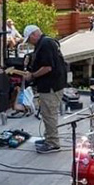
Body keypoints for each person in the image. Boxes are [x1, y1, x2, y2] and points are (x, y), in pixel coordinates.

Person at [22, 25, 68, 154]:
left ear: (33, 35)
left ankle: (53, 143)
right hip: (53, 84)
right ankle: (49, 138)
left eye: (29, 40)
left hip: (51, 86)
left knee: (49, 114)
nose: (30, 43)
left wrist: (32, 75)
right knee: (48, 113)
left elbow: (48, 67)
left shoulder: (45, 44)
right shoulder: (46, 42)